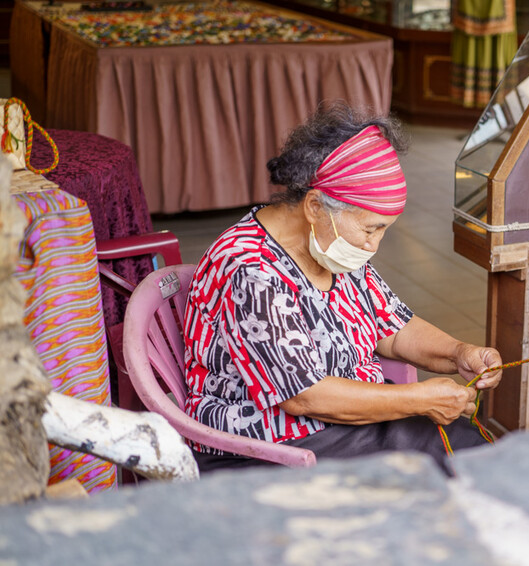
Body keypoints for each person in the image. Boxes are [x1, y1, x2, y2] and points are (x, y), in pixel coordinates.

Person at [183, 103, 503, 475]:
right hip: (272, 446)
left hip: (341, 424)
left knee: (472, 452)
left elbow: (393, 328)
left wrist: (457, 353)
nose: (374, 245)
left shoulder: (332, 250)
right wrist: (416, 400)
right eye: (370, 229)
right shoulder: (251, 271)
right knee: (449, 470)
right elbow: (306, 397)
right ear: (315, 206)